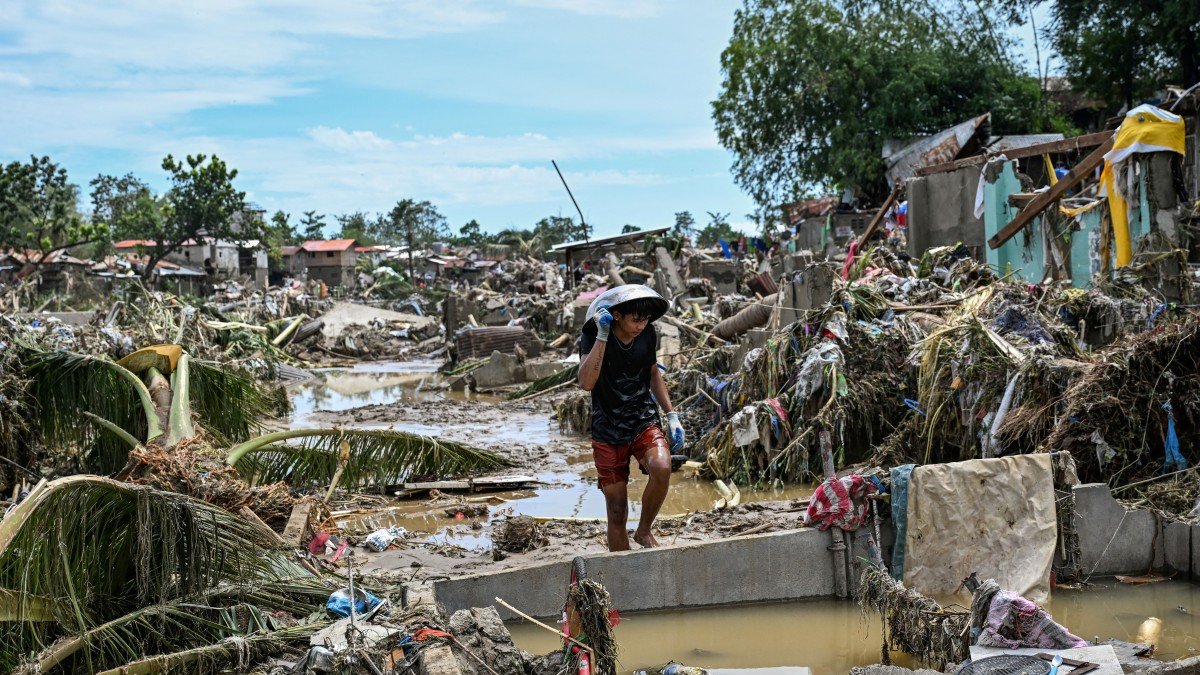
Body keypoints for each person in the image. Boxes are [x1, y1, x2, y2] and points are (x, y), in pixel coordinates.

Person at [577, 286, 684, 551]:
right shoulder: (592, 334)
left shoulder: (647, 333)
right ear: (616, 315)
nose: (641, 325)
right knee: (616, 510)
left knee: (661, 467)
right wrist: (603, 336)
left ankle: (644, 531)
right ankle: (623, 572)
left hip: (641, 417)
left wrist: (671, 415)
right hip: (608, 427)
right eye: (635, 319)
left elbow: (652, 374)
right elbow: (586, 383)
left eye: (645, 319)